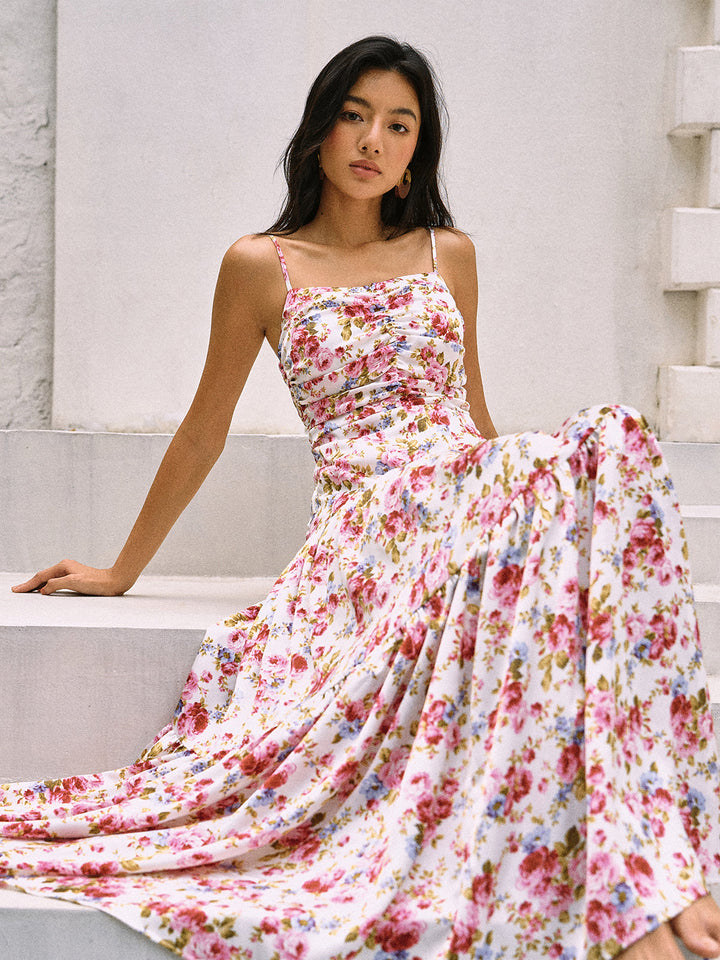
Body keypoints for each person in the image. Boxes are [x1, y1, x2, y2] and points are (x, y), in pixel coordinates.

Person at [3, 34, 720, 960]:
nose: (373, 140)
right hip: (368, 520)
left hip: (465, 493)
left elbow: (474, 415)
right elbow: (204, 427)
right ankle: (642, 896)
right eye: (355, 115)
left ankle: (646, 873)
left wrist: (526, 507)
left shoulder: (447, 254)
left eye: (399, 123)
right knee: (604, 447)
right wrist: (119, 569)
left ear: (418, 149)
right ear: (318, 130)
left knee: (612, 446)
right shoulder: (261, 264)